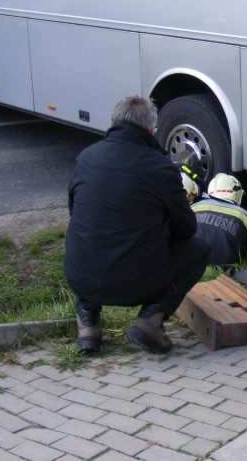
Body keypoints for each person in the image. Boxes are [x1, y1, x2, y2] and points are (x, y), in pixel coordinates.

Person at [64, 96, 211, 354]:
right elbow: (186, 230)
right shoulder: (160, 168)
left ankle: (88, 324)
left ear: (114, 122)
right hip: (138, 284)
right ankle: (149, 321)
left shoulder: (86, 158)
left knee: (89, 238)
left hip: (82, 276)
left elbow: (75, 211)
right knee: (198, 249)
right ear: (151, 130)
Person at [192, 173, 247, 267]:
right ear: (237, 194)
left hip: (185, 265)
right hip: (219, 272)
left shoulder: (193, 207)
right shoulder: (245, 216)